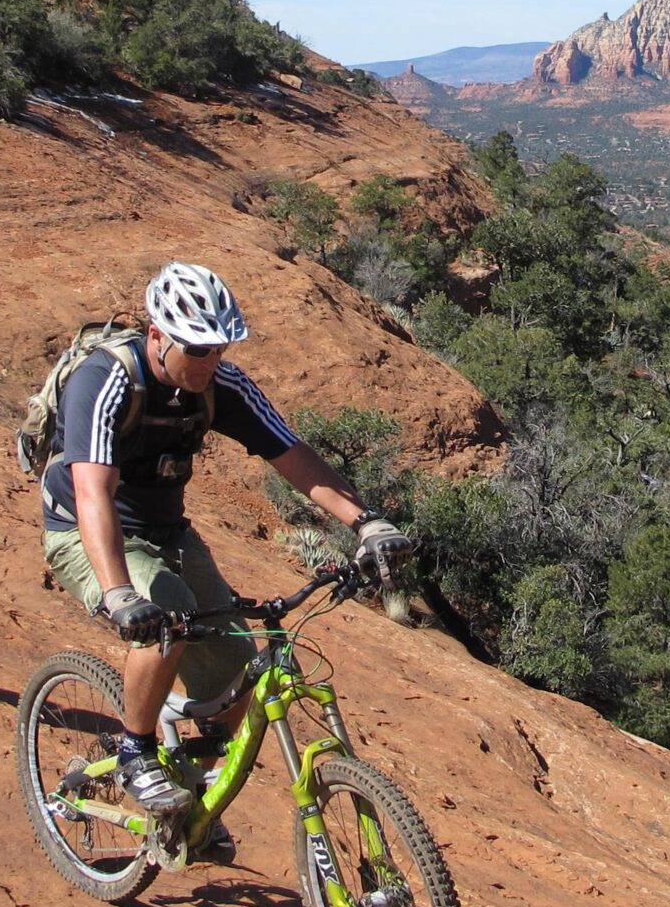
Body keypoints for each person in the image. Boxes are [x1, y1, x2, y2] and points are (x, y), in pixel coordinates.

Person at [40, 261, 412, 833]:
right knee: (167, 623)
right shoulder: (105, 380)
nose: (211, 360)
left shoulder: (221, 386)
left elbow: (291, 454)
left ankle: (191, 792)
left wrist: (366, 522)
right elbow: (94, 492)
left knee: (238, 670)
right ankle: (137, 751)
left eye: (220, 347)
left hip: (168, 532)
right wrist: (118, 593)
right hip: (88, 531)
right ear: (157, 335)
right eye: (198, 348)